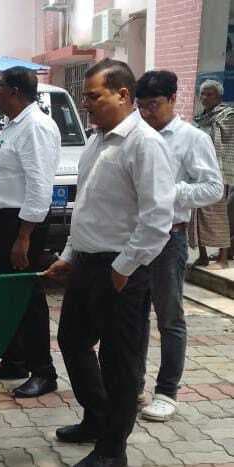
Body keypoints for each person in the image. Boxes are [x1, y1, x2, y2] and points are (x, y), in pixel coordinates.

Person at [44, 59, 175, 467]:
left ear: (123, 94)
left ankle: (113, 449)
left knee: (120, 363)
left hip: (123, 271)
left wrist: (125, 267)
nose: (86, 105)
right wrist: (68, 256)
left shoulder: (144, 143)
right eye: (84, 96)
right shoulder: (97, 141)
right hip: (87, 265)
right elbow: (86, 209)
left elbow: (158, 218)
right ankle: (97, 417)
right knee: (72, 341)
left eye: (93, 96)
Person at [135, 71, 223, 422]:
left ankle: (167, 391)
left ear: (173, 99)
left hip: (170, 236)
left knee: (169, 316)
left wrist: (170, 191)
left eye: (153, 105)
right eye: (141, 106)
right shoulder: (138, 134)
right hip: (134, 237)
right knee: (134, 314)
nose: (147, 113)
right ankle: (133, 384)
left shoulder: (191, 138)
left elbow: (212, 188)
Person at [0, 66, 60, 398]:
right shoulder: (13, 126)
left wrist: (24, 237)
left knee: (26, 298)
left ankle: (43, 371)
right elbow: (10, 174)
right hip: (0, 220)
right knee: (5, 297)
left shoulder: (35, 127)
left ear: (15, 91)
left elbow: (39, 186)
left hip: (21, 224)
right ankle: (15, 359)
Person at [192, 79, 234, 269]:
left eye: (209, 94)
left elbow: (228, 145)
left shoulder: (228, 116)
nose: (205, 97)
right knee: (198, 215)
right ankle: (202, 256)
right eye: (203, 94)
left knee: (219, 215)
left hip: (220, 172)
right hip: (199, 172)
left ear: (219, 97)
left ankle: (223, 259)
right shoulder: (200, 118)